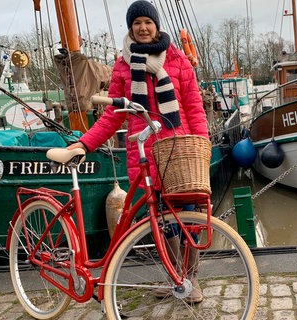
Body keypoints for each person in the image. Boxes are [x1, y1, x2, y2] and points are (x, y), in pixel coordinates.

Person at [67, 0, 208, 303]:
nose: (143, 28)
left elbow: (194, 107)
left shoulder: (177, 59)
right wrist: (86, 143)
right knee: (157, 216)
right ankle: (176, 278)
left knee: (190, 216)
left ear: (156, 25)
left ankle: (192, 278)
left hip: (178, 148)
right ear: (131, 28)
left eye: (148, 22)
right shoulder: (123, 64)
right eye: (137, 23)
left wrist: (202, 145)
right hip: (142, 149)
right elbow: (114, 114)